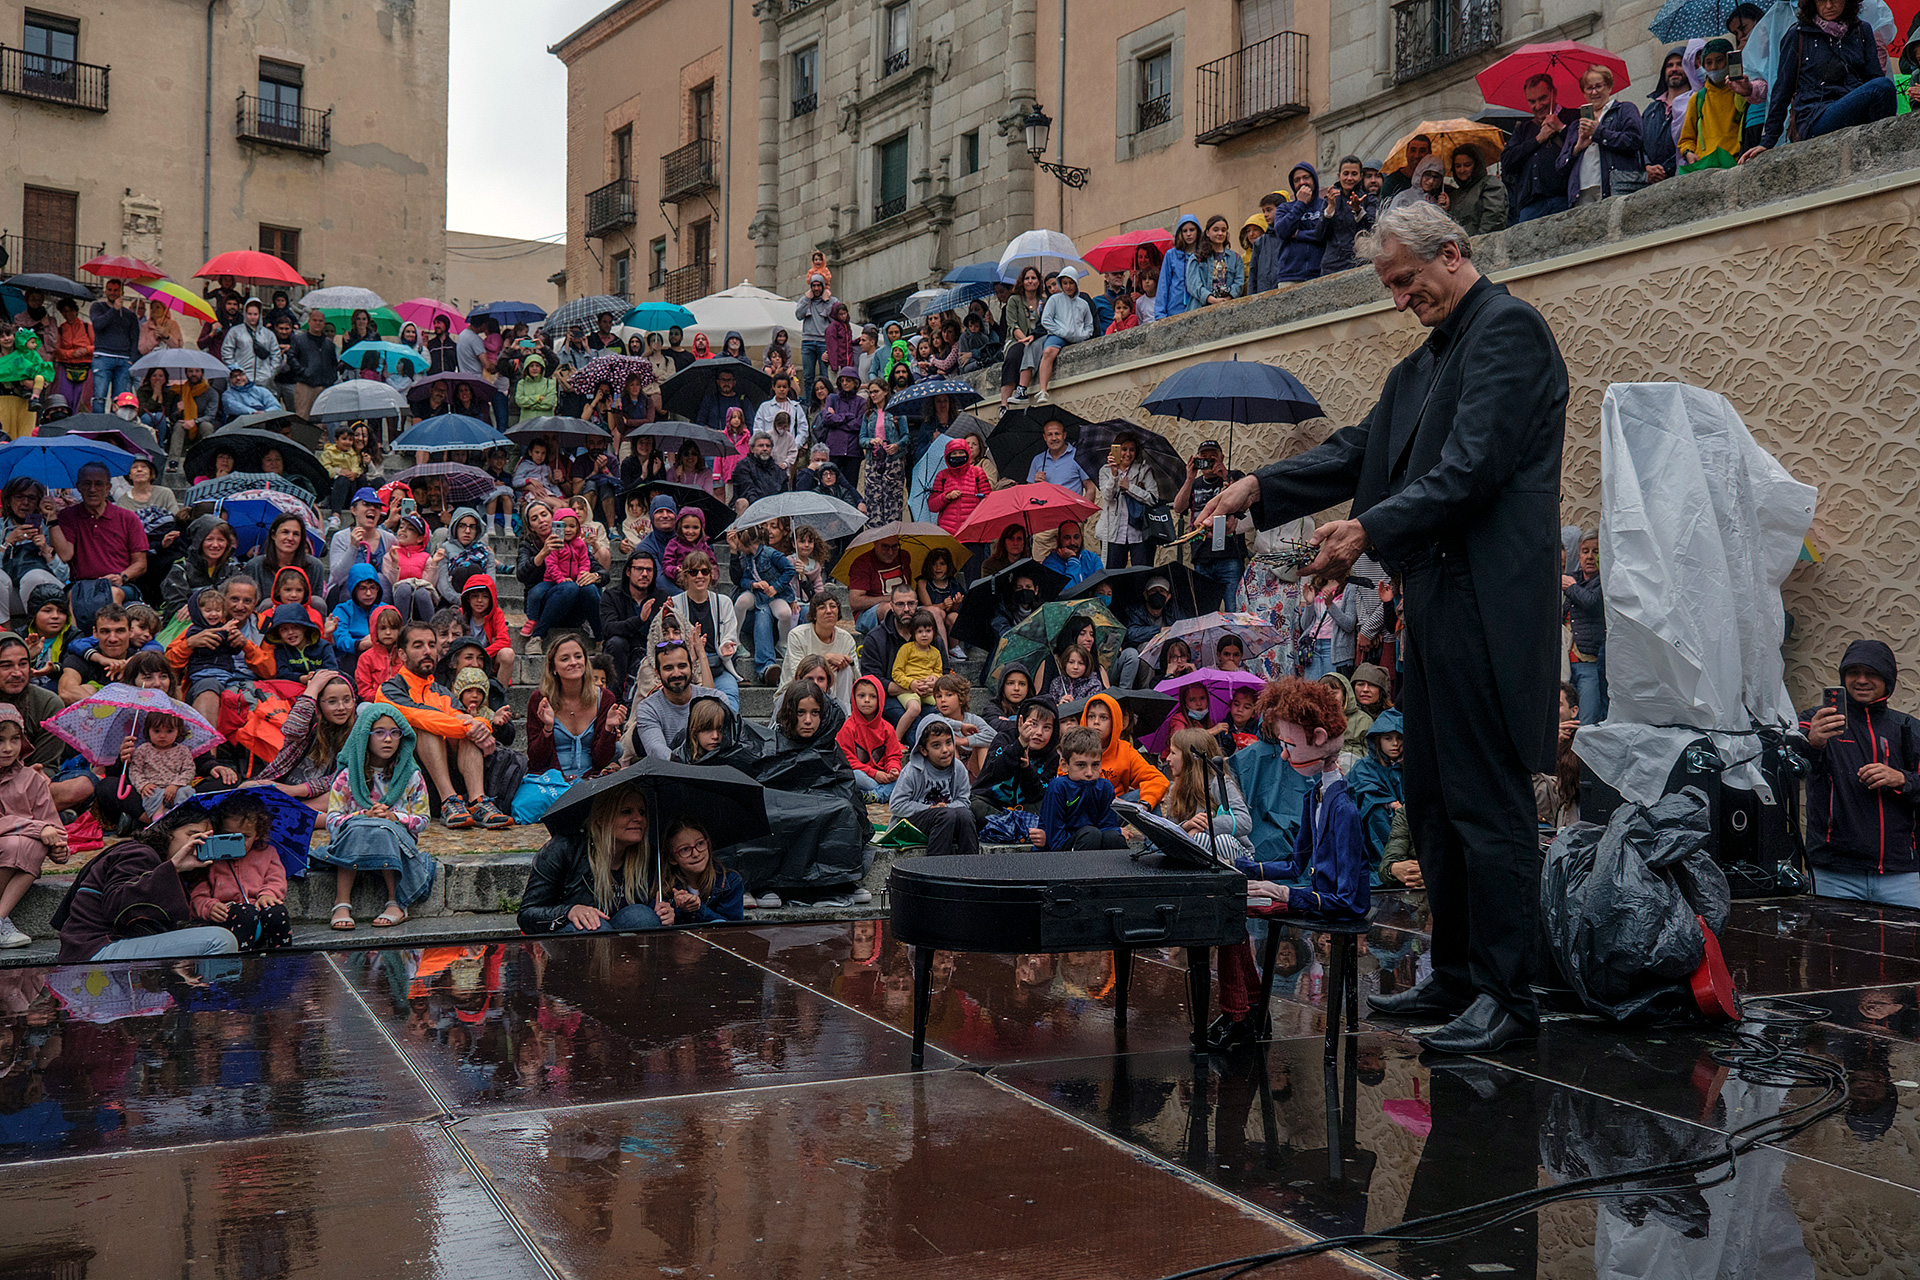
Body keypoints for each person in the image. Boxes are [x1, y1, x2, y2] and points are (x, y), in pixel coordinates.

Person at [1196, 202, 1567, 1054]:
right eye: (1390, 286)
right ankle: (1459, 976)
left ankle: (1509, 998)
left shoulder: (1509, 333)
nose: (1401, 299)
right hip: (1435, 596)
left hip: (1485, 599)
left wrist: (1369, 530)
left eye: (1407, 280)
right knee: (1434, 799)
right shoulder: (1425, 364)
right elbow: (1362, 450)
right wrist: (1263, 486)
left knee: (1487, 800)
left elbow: (1471, 469)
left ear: (1454, 252)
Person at [1799, 640, 1919, 906]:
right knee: (1832, 948)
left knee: (1905, 949)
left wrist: (1901, 779)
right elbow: (1786, 765)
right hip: (1833, 873)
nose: (1862, 680)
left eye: (1872, 673)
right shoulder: (1818, 720)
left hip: (1901, 875)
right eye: (1854, 672)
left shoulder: (1909, 728)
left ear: (1888, 679)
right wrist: (1812, 742)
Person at [51, 805, 243, 961]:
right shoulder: (139, 853)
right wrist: (172, 868)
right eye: (192, 834)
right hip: (94, 950)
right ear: (168, 833)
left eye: (206, 838)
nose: (199, 843)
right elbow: (115, 904)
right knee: (219, 940)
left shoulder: (172, 865)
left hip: (116, 947)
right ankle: (212, 1004)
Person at [378, 622, 516, 831]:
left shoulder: (441, 691)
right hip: (410, 775)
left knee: (464, 728)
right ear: (402, 655)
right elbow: (423, 717)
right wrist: (477, 727)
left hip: (450, 768)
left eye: (432, 645)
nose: (427, 651)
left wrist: (481, 723)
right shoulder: (390, 689)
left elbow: (461, 716)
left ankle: (478, 801)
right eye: (418, 645)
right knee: (430, 728)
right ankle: (448, 801)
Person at [316, 702, 434, 930]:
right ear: (365, 737)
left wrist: (394, 818)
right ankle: (342, 902)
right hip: (353, 839)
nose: (388, 739)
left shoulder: (412, 776)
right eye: (379, 732)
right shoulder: (348, 776)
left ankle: (395, 901)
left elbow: (423, 819)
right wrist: (363, 815)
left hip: (396, 841)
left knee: (383, 828)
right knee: (360, 826)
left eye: (394, 733)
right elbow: (331, 820)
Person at [1745, 0, 1895, 160]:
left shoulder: (1861, 30)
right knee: (1881, 87)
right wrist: (1767, 141)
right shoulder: (1798, 34)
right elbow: (1782, 90)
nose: (1829, 6)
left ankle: (1881, 148)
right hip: (1815, 116)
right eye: (1822, 0)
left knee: (1883, 87)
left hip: (1853, 105)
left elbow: (1874, 76)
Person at [519, 783, 674, 934]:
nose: (638, 818)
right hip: (573, 939)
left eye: (642, 812)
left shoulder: (648, 857)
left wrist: (664, 912)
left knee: (643, 917)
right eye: (626, 812)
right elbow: (527, 915)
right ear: (601, 818)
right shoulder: (564, 849)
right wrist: (569, 911)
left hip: (621, 939)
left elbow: (653, 908)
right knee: (594, 928)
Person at [186, 793, 293, 953]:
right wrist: (210, 907)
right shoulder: (210, 858)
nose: (239, 843)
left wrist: (268, 894)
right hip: (227, 919)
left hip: (259, 914)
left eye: (245, 837)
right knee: (246, 913)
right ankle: (241, 964)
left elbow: (276, 879)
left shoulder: (267, 852)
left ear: (258, 834)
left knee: (277, 911)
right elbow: (197, 894)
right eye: (230, 836)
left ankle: (282, 961)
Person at [0, 704, 67, 947]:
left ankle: (0, 919)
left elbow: (51, 824)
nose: (8, 748)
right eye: (0, 740)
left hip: (22, 855)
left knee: (34, 845)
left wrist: (59, 848)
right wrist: (36, 829)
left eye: (15, 739)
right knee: (15, 842)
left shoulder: (31, 779)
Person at [51, 462, 149, 624]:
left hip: (120, 584)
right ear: (78, 486)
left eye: (98, 484)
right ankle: (73, 642)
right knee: (72, 596)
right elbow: (66, 555)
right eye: (87, 484)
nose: (92, 489)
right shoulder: (68, 516)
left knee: (113, 593)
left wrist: (122, 577)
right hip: (81, 584)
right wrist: (52, 519)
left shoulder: (127, 518)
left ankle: (113, 639)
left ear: (108, 487)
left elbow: (141, 563)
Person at [527, 632, 625, 781]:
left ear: (586, 662)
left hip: (589, 782)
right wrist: (547, 729)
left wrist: (608, 729)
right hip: (550, 782)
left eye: (578, 656)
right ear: (554, 668)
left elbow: (600, 761)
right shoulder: (539, 700)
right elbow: (536, 760)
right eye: (565, 659)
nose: (573, 662)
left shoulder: (605, 698)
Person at [1174, 440, 1248, 612]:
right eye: (1203, 458)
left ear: (1222, 457)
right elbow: (1178, 507)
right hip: (1202, 555)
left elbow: (1245, 501)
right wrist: (1189, 478)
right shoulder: (1195, 483)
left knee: (1233, 607)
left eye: (1213, 457)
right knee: (1204, 609)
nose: (1208, 462)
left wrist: (1225, 476)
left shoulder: (1234, 476)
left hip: (1229, 555)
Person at [890, 717, 980, 856]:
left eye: (949, 743)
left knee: (965, 815)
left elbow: (964, 802)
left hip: (947, 818)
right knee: (945, 815)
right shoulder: (913, 771)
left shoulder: (959, 768)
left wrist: (945, 807)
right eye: (936, 746)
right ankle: (934, 868)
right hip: (914, 825)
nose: (945, 750)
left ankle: (971, 868)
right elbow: (897, 805)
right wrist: (931, 809)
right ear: (924, 750)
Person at [1559, 66, 1648, 205]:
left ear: (1609, 87)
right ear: (1583, 92)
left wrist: (1599, 132)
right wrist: (1577, 148)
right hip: (1581, 191)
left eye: (1599, 86)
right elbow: (1560, 166)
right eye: (1589, 88)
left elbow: (1633, 141)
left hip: (1615, 185)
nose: (1594, 92)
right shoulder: (1576, 125)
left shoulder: (1624, 109)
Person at [664, 551, 741, 708]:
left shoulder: (724, 602)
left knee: (730, 699)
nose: (700, 576)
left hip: (718, 667)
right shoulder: (675, 604)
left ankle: (729, 732)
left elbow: (730, 634)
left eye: (704, 571)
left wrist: (726, 645)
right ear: (685, 576)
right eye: (694, 572)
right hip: (688, 667)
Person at [1503, 74, 1579, 223]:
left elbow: (1581, 147)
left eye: (1542, 98)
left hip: (1564, 199)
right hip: (1530, 206)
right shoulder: (1523, 128)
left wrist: (1561, 128)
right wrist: (1537, 140)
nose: (1538, 106)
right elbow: (1506, 162)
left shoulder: (1573, 116)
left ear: (1554, 93)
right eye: (1532, 101)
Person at [1039, 725, 1129, 850]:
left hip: (1092, 840)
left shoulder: (1105, 787)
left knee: (1113, 837)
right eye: (1081, 765)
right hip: (1062, 849)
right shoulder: (1058, 787)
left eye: (1095, 765)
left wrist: (1116, 830)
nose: (1089, 773)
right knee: (1091, 834)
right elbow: (1055, 838)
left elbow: (1107, 825)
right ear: (1065, 765)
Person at [632, 640, 726, 759]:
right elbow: (656, 749)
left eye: (682, 666)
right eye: (668, 668)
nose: (676, 673)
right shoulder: (648, 708)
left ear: (691, 667)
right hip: (671, 771)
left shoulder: (717, 699)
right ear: (657, 673)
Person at [1075, 691, 1168, 806]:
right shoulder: (1075, 748)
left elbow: (1157, 779)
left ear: (1114, 721)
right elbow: (1065, 782)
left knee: (1148, 798)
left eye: (1103, 717)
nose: (1096, 722)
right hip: (1083, 808)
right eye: (1091, 716)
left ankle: (1151, 823)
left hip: (1115, 808)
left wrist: (1145, 804)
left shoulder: (1124, 750)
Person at [1018, 270, 1094, 407]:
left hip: (1077, 338)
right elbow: (1046, 320)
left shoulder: (1083, 304)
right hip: (1058, 336)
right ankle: (1043, 389)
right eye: (1065, 283)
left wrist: (1082, 335)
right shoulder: (1054, 300)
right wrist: (1060, 332)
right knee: (1048, 352)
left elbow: (1089, 325)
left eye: (1071, 283)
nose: (1068, 286)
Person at [1252, 165, 1327, 289]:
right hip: (1290, 276)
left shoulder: (1324, 205)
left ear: (1314, 179)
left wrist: (1299, 234)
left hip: (1319, 273)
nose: (1302, 182)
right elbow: (1282, 231)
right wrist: (1300, 204)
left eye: (1306, 178)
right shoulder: (1285, 208)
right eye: (1297, 180)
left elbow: (1324, 234)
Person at [781, 584, 855, 707]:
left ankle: (843, 716)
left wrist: (849, 662)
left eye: (833, 607)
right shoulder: (797, 635)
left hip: (834, 692)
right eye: (822, 608)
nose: (829, 611)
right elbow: (798, 673)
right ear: (814, 615)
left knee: (846, 669)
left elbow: (857, 678)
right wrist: (825, 659)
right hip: (796, 693)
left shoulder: (847, 639)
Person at [1094, 432, 1158, 569]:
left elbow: (1153, 499)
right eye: (1124, 449)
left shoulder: (1144, 470)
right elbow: (1107, 496)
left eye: (1132, 450)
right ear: (1116, 450)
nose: (1127, 454)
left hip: (1140, 532)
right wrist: (1114, 475)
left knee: (1141, 574)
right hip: (1113, 532)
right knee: (1113, 575)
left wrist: (1131, 488)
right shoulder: (1105, 470)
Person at [1563, 527, 1606, 725]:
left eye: (1596, 551)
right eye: (1585, 551)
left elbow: (1591, 602)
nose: (1589, 557)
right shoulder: (1572, 578)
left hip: (1589, 663)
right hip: (1566, 664)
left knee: (1587, 721)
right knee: (1563, 720)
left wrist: (1571, 587)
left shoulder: (1604, 582)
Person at [87, 278, 141, 414]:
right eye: (109, 289)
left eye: (116, 290)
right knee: (99, 396)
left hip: (124, 360)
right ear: (105, 291)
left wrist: (131, 360)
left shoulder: (130, 315)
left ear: (122, 292)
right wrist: (114, 310)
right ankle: (98, 427)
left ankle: (116, 427)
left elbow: (135, 339)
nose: (112, 293)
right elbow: (98, 325)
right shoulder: (97, 307)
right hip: (103, 357)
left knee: (121, 399)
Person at [890, 608, 945, 741]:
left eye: (928, 631)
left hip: (928, 690)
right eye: (920, 631)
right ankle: (895, 740)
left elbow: (939, 672)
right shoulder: (907, 649)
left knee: (943, 705)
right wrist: (911, 683)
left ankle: (949, 736)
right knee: (914, 709)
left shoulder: (936, 652)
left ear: (934, 632)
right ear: (913, 633)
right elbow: (896, 672)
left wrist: (935, 679)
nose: (924, 635)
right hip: (909, 690)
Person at [1319, 157, 1380, 275]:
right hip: (1332, 265)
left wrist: (1358, 211)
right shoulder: (1330, 199)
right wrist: (1330, 210)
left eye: (1354, 174)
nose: (1349, 178)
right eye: (1345, 174)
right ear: (1339, 176)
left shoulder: (1369, 199)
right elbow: (1320, 235)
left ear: (1361, 177)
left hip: (1360, 262)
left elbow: (1373, 229)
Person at [996, 266, 1047, 407]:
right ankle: (1004, 404)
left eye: (1033, 278)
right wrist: (1025, 341)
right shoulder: (1014, 300)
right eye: (1027, 278)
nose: (1030, 281)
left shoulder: (1044, 301)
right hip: (1017, 339)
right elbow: (1012, 326)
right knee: (1014, 356)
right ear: (1022, 282)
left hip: (1037, 339)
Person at [1643, 46, 1691, 184]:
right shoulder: (1651, 110)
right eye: (1669, 65)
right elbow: (1640, 144)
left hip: (1682, 176)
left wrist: (1665, 169)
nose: (1674, 69)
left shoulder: (1695, 101)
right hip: (1651, 183)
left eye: (1679, 64)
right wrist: (1647, 167)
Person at [1026, 416, 1093, 498]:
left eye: (1057, 434)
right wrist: (1035, 486)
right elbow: (1029, 493)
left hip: (1071, 509)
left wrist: (1084, 510)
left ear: (1064, 435)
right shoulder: (1038, 460)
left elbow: (1090, 488)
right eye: (1050, 435)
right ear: (1045, 437)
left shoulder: (1078, 456)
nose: (1054, 438)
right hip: (1047, 509)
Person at [1186, 215, 1245, 307]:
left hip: (1229, 307)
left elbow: (1239, 283)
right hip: (1201, 308)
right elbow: (1193, 285)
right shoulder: (1196, 258)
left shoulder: (1236, 258)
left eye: (1223, 230)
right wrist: (1211, 299)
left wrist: (1228, 298)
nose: (1220, 233)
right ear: (1207, 233)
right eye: (1216, 230)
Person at [1446, 147, 1507, 235]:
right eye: (1458, 166)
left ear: (1476, 165)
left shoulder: (1489, 184)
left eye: (1467, 165)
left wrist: (1478, 240)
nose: (1462, 170)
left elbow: (1494, 217)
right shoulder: (1455, 195)